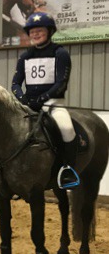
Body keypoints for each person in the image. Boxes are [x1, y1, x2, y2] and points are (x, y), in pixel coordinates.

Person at [11, 12, 78, 188]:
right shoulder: (25, 56)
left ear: (49, 31)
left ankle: (67, 170)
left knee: (67, 128)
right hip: (27, 105)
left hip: (52, 104)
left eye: (39, 30)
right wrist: (23, 99)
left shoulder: (60, 53)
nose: (35, 34)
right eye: (32, 31)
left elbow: (61, 83)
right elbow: (15, 83)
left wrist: (42, 99)